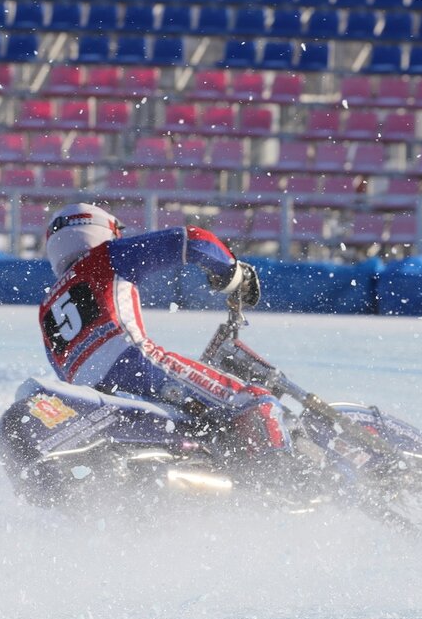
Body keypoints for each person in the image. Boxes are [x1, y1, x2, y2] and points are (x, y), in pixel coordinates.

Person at [38, 202, 296, 472]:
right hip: (138, 365)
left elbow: (62, 370)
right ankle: (283, 474)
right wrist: (232, 272)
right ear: (98, 229)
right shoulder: (105, 256)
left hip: (90, 396)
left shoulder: (46, 309)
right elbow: (194, 240)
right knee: (253, 399)